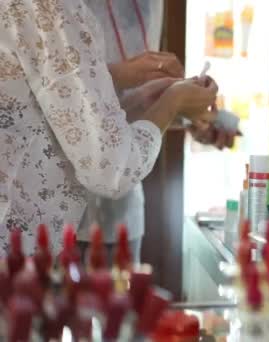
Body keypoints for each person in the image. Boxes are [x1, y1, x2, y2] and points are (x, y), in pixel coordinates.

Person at [0, 0, 218, 255]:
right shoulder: (53, 8)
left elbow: (42, 115)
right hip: (16, 245)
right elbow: (112, 169)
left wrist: (137, 103)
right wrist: (173, 102)